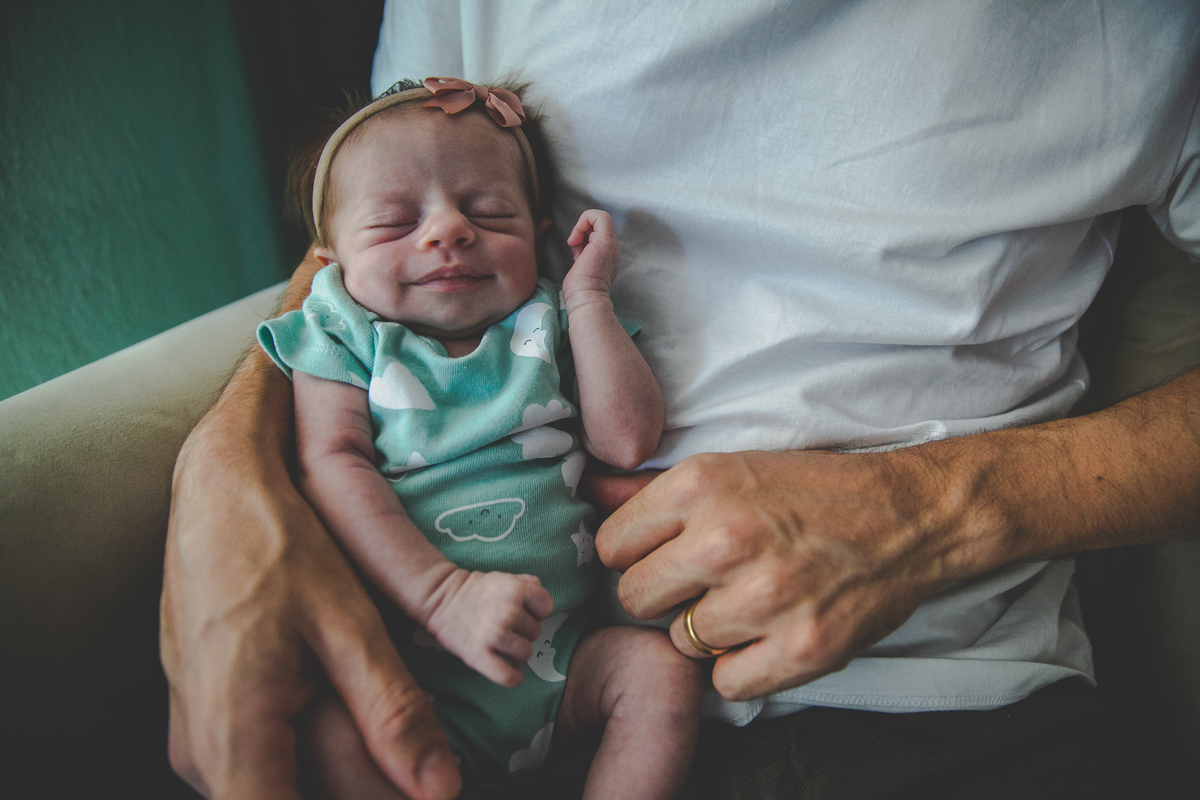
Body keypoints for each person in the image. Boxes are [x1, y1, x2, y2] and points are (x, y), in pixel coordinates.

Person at [161, 2, 1200, 799]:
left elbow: (617, 419)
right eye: (412, 220)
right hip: (467, 660)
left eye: (485, 208)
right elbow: (348, 242)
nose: (447, 234)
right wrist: (220, 475)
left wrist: (941, 506)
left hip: (931, 697)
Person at [253, 77, 699, 798]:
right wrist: (443, 597)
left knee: (658, 673)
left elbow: (627, 441)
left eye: (490, 213)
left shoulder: (548, 321)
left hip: (562, 666)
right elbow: (330, 461)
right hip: (413, 672)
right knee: (327, 733)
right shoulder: (345, 333)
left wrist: (587, 299)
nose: (449, 230)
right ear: (330, 258)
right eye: (396, 221)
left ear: (539, 237)